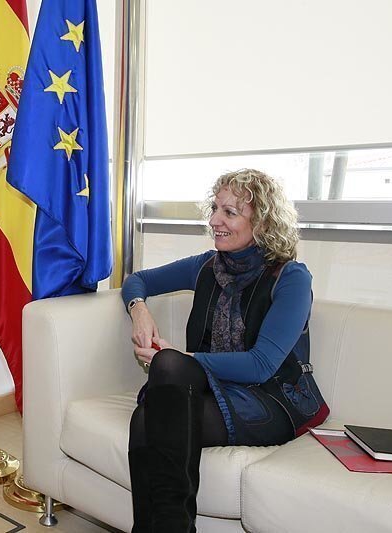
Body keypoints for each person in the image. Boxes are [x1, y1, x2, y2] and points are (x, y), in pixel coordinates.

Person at [122, 169, 329, 533]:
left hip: (269, 398)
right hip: (210, 389)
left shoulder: (291, 278)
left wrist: (183, 360)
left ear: (262, 223)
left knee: (165, 376)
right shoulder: (206, 266)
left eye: (230, 212)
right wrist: (139, 310)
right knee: (146, 416)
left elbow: (261, 365)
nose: (214, 220)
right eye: (215, 208)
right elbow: (137, 280)